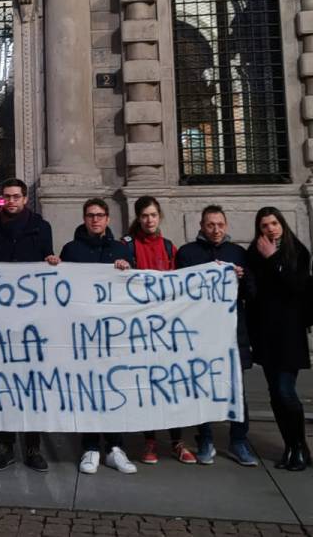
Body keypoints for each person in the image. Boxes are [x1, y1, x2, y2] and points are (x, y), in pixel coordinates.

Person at [0, 177, 59, 473]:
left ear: (25, 199)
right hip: (2, 318)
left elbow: (48, 258)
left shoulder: (40, 226)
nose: (10, 201)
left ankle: (32, 448)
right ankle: (6, 446)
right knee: (5, 383)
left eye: (16, 197)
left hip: (33, 318)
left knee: (31, 383)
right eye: (6, 197)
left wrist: (51, 261)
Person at [175, 205, 257, 467]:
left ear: (226, 225)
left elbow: (251, 295)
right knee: (202, 388)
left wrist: (241, 279)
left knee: (236, 388)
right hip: (199, 335)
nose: (216, 229)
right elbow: (179, 292)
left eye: (220, 224)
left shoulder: (238, 254)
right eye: (210, 225)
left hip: (232, 334)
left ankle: (239, 440)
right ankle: (206, 438)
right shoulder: (188, 253)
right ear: (201, 226)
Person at [60, 198, 136, 475]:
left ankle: (115, 448)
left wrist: (126, 270)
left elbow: (134, 288)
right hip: (83, 334)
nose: (95, 220)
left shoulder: (120, 249)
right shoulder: (71, 250)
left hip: (114, 333)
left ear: (107, 219)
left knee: (114, 388)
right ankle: (90, 447)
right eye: (91, 215)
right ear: (84, 218)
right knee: (88, 390)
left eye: (100, 215)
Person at [129, 195, 197, 465]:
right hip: (139, 328)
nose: (149, 220)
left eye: (153, 215)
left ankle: (177, 441)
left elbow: (182, 283)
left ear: (160, 217)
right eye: (144, 215)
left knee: (171, 384)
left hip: (166, 328)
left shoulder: (170, 247)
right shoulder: (128, 246)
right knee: (148, 385)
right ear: (138, 218)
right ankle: (150, 441)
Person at [246, 206, 313, 473]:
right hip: (266, 333)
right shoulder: (254, 254)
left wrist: (273, 258)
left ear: (282, 225)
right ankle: (289, 445)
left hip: (289, 333)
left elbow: (297, 287)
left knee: (286, 391)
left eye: (274, 223)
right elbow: (253, 295)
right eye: (264, 225)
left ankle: (300, 445)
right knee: (275, 393)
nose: (270, 229)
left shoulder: (297, 252)